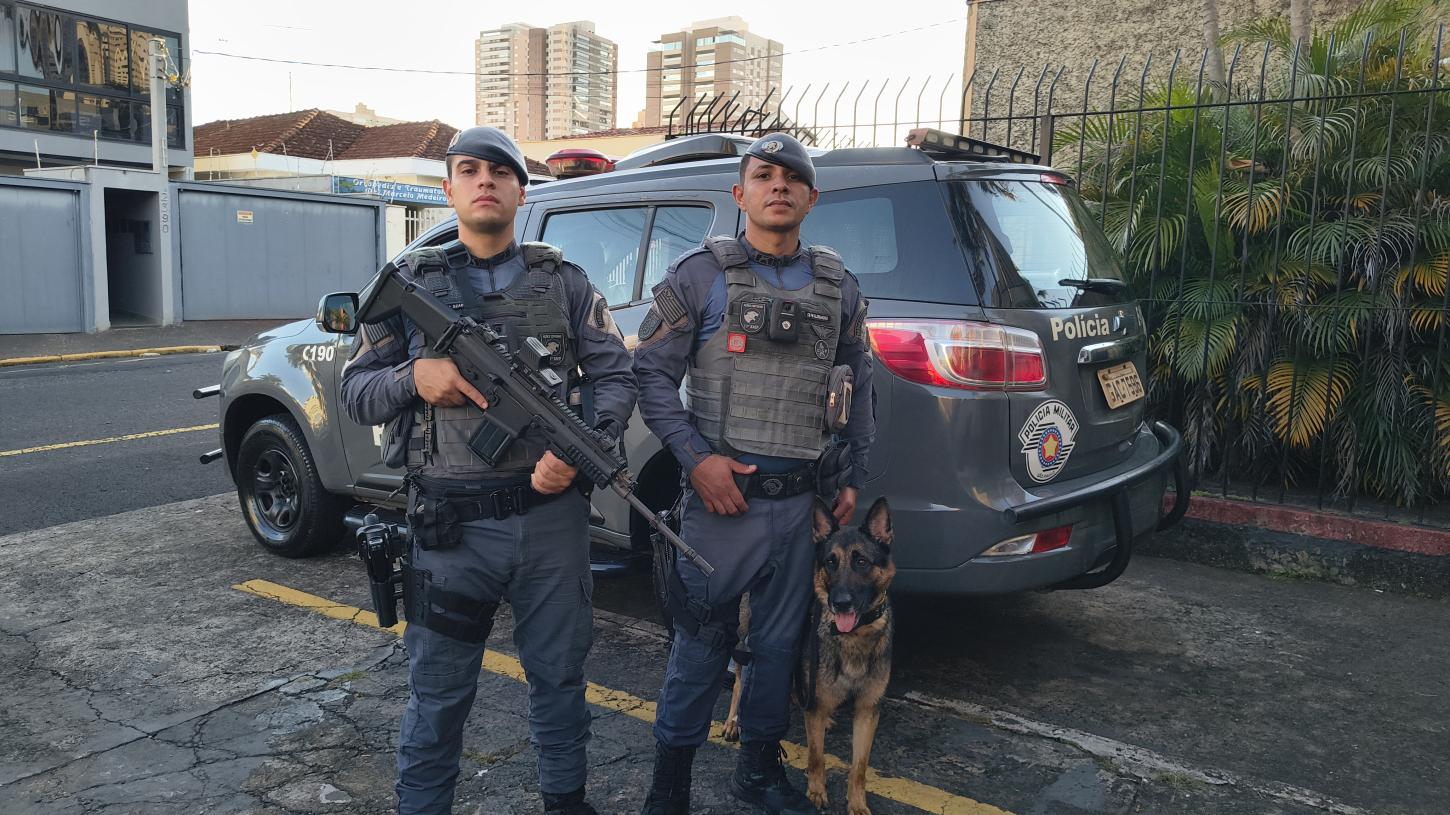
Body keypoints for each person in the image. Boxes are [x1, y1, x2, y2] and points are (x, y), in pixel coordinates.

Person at [340, 126, 636, 815]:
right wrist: (416, 374)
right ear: (449, 189)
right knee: (440, 690)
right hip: (451, 528)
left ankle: (566, 801)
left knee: (561, 679)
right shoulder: (413, 286)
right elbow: (356, 391)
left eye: (500, 171)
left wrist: (586, 443)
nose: (484, 181)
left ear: (520, 191)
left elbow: (616, 374)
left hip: (550, 521)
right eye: (468, 170)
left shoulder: (565, 282)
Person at [633, 132, 876, 815]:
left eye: (791, 178)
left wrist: (852, 469)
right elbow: (650, 374)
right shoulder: (700, 275)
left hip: (801, 505)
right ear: (739, 194)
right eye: (763, 175)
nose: (778, 186)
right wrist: (696, 458)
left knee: (778, 646)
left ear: (810, 197)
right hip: (722, 506)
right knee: (702, 644)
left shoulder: (839, 286)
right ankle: (668, 787)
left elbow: (861, 380)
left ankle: (758, 774)